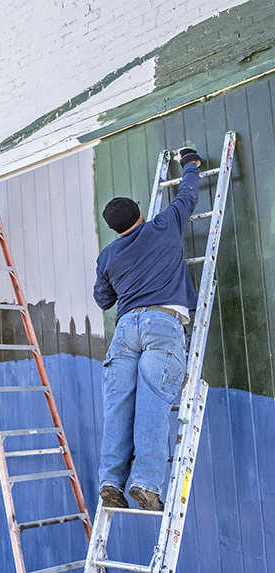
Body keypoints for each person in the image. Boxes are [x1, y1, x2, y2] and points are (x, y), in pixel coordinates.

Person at [93, 147, 203, 511]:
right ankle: (144, 483)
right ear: (141, 213)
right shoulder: (163, 225)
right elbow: (188, 194)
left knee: (118, 409)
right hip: (161, 324)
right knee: (154, 405)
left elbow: (102, 300)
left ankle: (111, 483)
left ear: (115, 228)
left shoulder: (108, 256)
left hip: (126, 331)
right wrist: (190, 164)